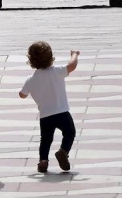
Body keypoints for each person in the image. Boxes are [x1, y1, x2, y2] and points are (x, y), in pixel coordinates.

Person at [19, 42, 79, 174]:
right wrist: (74, 54)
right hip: (62, 112)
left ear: (31, 61)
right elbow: (72, 65)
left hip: (45, 116)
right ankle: (63, 151)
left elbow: (22, 95)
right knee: (69, 133)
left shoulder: (31, 79)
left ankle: (43, 161)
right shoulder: (57, 71)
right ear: (51, 57)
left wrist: (26, 92)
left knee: (45, 139)